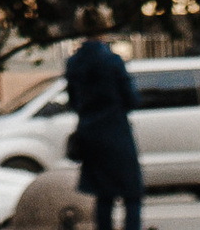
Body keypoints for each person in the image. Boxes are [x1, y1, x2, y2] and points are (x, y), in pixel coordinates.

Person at [61, 28, 143, 230]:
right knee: (132, 193)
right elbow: (131, 99)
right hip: (116, 133)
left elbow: (73, 100)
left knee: (103, 195)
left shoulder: (74, 63)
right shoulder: (113, 61)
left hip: (89, 135)